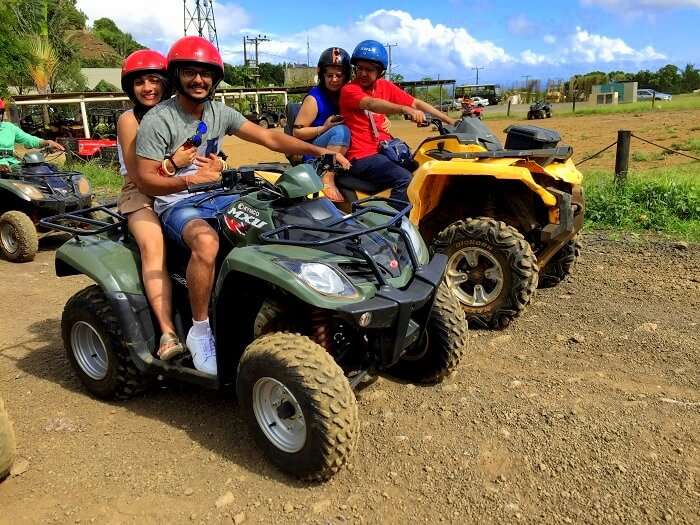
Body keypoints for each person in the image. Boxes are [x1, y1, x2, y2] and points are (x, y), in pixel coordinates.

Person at [133, 36, 350, 375]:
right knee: (206, 242)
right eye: (190, 72)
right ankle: (200, 329)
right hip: (176, 202)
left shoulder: (220, 112)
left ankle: (285, 304)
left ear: (215, 78)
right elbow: (147, 180)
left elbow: (270, 137)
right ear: (176, 76)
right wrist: (189, 180)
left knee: (276, 219)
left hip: (218, 195)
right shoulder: (158, 120)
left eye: (205, 74)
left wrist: (320, 152)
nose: (198, 80)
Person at [117, 49, 197, 361]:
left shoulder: (178, 113)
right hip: (140, 192)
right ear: (130, 88)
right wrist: (174, 163)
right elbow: (140, 174)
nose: (148, 87)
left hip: (178, 187)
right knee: (154, 246)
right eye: (139, 82)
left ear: (166, 82)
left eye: (154, 80)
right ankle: (167, 332)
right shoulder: (129, 120)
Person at [339, 40, 456, 203]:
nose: (363, 73)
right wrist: (403, 109)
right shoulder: (350, 90)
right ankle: (394, 224)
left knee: (423, 167)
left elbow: (416, 103)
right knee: (404, 179)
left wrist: (450, 120)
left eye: (369, 69)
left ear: (380, 72)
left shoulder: (384, 86)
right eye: (360, 68)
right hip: (362, 156)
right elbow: (371, 104)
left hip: (384, 150)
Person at [292, 47, 352, 201]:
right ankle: (327, 178)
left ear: (345, 76)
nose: (334, 79)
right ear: (322, 75)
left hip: (341, 150)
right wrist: (324, 128)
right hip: (315, 153)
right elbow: (297, 132)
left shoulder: (346, 95)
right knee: (341, 131)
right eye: (329, 75)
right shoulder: (314, 98)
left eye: (339, 75)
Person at [0, 98, 64, 172]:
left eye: (0, 112)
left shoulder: (9, 127)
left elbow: (28, 139)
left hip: (13, 165)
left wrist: (46, 142)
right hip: (3, 171)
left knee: (48, 170)